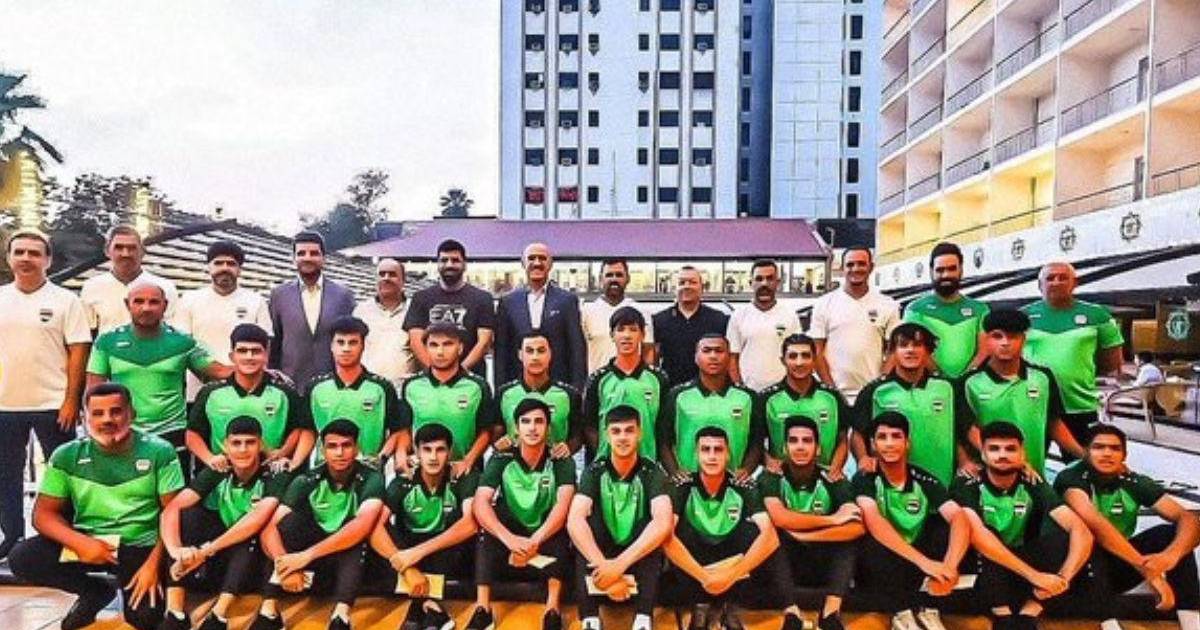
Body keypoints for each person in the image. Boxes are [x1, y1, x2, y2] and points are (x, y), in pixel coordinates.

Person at [8, 383, 184, 630]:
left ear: (132, 414)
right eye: (98, 413)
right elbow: (43, 515)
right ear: (85, 418)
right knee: (23, 557)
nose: (107, 419)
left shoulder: (160, 452)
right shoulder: (66, 455)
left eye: (116, 411)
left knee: (145, 619)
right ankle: (95, 592)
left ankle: (136, 587)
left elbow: (174, 516)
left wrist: (153, 567)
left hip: (140, 547)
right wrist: (81, 543)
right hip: (88, 544)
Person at [0, 229, 91, 560]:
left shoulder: (66, 301)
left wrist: (71, 400)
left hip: (54, 404)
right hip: (5, 404)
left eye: (34, 253)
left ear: (48, 260)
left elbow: (78, 351)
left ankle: (63, 538)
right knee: (6, 474)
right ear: (9, 258)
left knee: (64, 474)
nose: (26, 258)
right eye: (20, 252)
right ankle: (12, 535)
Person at [1054, 425, 1200, 630]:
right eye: (1099, 447)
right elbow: (1095, 524)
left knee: (1172, 534)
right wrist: (1147, 569)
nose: (1107, 453)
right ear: (1086, 452)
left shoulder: (1133, 481)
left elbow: (1188, 518)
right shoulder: (1071, 478)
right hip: (1075, 571)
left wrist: (1170, 557)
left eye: (1114, 448)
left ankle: (1191, 622)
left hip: (1118, 565)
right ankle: (1108, 623)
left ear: (1124, 455)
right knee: (1089, 541)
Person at [952, 422, 1095, 630]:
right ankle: (1003, 616)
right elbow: (979, 537)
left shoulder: (1032, 482)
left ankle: (1030, 612)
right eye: (994, 449)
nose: (1002, 455)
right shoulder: (966, 484)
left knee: (1063, 540)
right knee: (987, 536)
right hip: (985, 570)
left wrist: (1061, 579)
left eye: (1010, 449)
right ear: (983, 454)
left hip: (1021, 565)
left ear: (1022, 454)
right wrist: (1035, 576)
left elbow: (1080, 531)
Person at [662, 427, 806, 630]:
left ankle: (788, 609)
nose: (712, 456)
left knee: (762, 535)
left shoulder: (743, 485)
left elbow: (770, 538)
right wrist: (706, 578)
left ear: (728, 454)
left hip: (732, 568)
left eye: (718, 450)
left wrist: (728, 577)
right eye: (706, 449)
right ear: (696, 454)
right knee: (670, 532)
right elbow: (666, 538)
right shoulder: (681, 485)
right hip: (696, 569)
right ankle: (700, 606)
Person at [249, 420, 385, 630]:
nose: (339, 453)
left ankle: (340, 617)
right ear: (323, 450)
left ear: (356, 448)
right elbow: (269, 527)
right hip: (312, 560)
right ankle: (269, 613)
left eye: (346, 445)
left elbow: (363, 524)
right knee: (288, 525)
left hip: (350, 560)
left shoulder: (372, 478)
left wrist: (305, 556)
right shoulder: (307, 479)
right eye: (332, 446)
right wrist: (285, 565)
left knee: (355, 533)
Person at [159, 417, 290, 630]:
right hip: (221, 554)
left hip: (256, 559)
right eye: (236, 443)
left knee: (253, 533)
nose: (243, 449)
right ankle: (175, 612)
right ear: (225, 446)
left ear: (260, 445)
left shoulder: (276, 473)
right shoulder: (218, 470)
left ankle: (219, 615)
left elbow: (256, 520)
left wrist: (204, 551)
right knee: (188, 516)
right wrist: (177, 552)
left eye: (250, 442)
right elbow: (172, 509)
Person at [86, 281, 230, 464]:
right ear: (127, 304)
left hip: (172, 433)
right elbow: (93, 391)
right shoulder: (106, 342)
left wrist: (254, 367)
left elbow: (218, 371)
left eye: (153, 302)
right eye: (139, 301)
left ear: (165, 305)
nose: (146, 308)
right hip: (124, 431)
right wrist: (97, 431)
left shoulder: (183, 342)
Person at [852, 412, 970, 630]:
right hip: (885, 563)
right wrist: (924, 563)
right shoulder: (865, 478)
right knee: (867, 539)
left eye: (896, 436)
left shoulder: (922, 477)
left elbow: (958, 517)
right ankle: (902, 614)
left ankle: (929, 609)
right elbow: (874, 521)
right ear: (873, 445)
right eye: (882, 437)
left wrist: (949, 566)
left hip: (916, 561)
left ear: (907, 443)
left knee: (944, 529)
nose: (889, 444)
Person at [467, 399, 576, 630]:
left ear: (548, 428)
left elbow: (563, 504)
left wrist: (534, 541)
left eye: (539, 422)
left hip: (544, 532)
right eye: (525, 422)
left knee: (563, 530)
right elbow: (481, 502)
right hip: (512, 531)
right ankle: (483, 609)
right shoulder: (502, 457)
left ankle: (552, 609)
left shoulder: (560, 459)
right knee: (486, 531)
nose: (532, 428)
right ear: (516, 428)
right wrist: (509, 539)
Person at [568, 405, 673, 630]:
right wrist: (605, 567)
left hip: (634, 555)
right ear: (607, 435)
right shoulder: (594, 471)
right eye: (616, 431)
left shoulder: (653, 472)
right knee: (585, 529)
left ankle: (643, 618)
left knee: (653, 533)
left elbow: (663, 522)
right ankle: (590, 619)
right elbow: (574, 520)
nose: (623, 437)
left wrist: (619, 566)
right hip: (603, 557)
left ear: (640, 433)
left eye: (629, 430)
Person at [367, 424, 479, 630]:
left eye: (440, 450)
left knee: (469, 529)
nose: (433, 457)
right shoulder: (403, 483)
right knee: (377, 528)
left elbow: (471, 524)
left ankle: (418, 607)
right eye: (427, 450)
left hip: (445, 551)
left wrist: (417, 553)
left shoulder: (462, 477)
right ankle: (430, 605)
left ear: (449, 453)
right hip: (410, 553)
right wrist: (408, 568)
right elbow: (374, 529)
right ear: (417, 453)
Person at [759, 416, 864, 630]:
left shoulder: (833, 478)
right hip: (785, 563)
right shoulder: (771, 478)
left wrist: (807, 535)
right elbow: (779, 517)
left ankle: (830, 613)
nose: (800, 447)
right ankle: (792, 614)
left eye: (807, 441)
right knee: (769, 534)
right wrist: (832, 519)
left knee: (848, 542)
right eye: (793, 441)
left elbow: (857, 527)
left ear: (817, 449)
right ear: (785, 448)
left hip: (821, 562)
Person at [959, 309, 1084, 477]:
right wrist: (1007, 459)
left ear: (1023, 340)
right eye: (997, 336)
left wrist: (1084, 455)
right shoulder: (968, 382)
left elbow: (1053, 422)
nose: (1005, 343)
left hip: (1035, 474)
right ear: (987, 340)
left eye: (1012, 337)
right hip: (989, 477)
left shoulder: (1043, 377)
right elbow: (968, 428)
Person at [851, 323, 972, 486]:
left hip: (943, 480)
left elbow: (960, 430)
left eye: (917, 345)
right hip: (890, 484)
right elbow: (858, 433)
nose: (910, 350)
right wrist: (863, 458)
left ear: (928, 351)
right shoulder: (874, 391)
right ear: (892, 352)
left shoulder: (948, 388)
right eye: (903, 345)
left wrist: (965, 462)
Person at [1021, 261, 1124, 448]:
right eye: (1050, 278)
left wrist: (1079, 373)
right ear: (1040, 285)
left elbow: (1112, 362)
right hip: (1034, 404)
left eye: (1063, 278)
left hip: (1080, 406)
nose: (1056, 282)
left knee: (1082, 461)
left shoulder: (1099, 316)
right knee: (1029, 463)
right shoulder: (1023, 317)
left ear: (1075, 283)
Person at [188, 323, 312, 474]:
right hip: (222, 473)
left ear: (266, 355)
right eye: (242, 351)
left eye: (256, 351)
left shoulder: (285, 392)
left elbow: (298, 428)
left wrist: (283, 452)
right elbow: (192, 434)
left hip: (270, 473)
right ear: (232, 356)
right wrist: (210, 459)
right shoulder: (210, 393)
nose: (249, 357)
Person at [174, 239, 273, 402]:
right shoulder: (189, 299)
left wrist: (243, 374)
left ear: (239, 270)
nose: (225, 268)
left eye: (231, 264)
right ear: (209, 267)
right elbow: (183, 345)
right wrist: (216, 371)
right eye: (218, 263)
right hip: (200, 390)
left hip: (246, 389)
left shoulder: (256, 301)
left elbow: (265, 346)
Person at [302, 316, 405, 468]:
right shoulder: (315, 387)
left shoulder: (382, 388)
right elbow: (307, 431)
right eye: (340, 342)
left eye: (353, 343)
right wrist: (294, 464)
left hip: (368, 470)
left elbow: (398, 431)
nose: (346, 348)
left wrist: (381, 458)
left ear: (363, 346)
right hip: (325, 469)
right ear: (331, 346)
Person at [660, 334, 763, 482]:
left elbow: (756, 442)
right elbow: (664, 441)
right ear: (696, 357)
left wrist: (747, 469)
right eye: (706, 351)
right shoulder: (677, 396)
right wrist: (674, 471)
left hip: (732, 483)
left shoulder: (748, 397)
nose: (713, 356)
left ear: (729, 357)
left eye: (719, 351)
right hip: (688, 482)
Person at [398, 321, 497, 475]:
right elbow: (405, 429)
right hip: (421, 470)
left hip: (464, 472)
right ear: (426, 348)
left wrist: (468, 461)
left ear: (460, 348)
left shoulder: (478, 386)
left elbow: (486, 432)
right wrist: (401, 453)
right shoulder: (411, 385)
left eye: (448, 344)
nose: (440, 351)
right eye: (434, 345)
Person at [809, 247, 901, 403]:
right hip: (834, 394)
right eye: (850, 264)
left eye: (861, 264)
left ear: (871, 267)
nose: (856, 269)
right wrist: (832, 390)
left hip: (873, 395)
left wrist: (878, 386)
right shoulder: (823, 304)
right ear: (842, 268)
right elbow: (817, 351)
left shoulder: (888, 305)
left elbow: (893, 351)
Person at [268, 231, 357, 388]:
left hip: (333, 386)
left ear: (324, 258)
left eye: (314, 253)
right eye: (301, 253)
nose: (307, 258)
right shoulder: (279, 295)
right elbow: (275, 341)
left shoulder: (343, 295)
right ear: (293, 258)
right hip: (290, 384)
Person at [494, 242, 587, 389]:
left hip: (559, 385)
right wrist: (501, 390)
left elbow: (576, 348)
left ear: (550, 264)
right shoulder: (508, 302)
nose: (537, 263)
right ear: (523, 263)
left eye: (542, 258)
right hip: (518, 387)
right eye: (531, 258)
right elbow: (501, 351)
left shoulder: (567, 300)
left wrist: (577, 388)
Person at [583, 307, 669, 461]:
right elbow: (590, 426)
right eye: (621, 329)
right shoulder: (598, 379)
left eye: (633, 330)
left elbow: (663, 428)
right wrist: (602, 458)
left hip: (647, 464)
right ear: (612, 335)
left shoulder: (658, 379)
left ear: (642, 335)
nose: (627, 335)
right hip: (609, 465)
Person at [760, 333, 852, 478]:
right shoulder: (767, 399)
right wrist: (769, 462)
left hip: (826, 478)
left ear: (814, 359)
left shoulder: (833, 398)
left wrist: (835, 469)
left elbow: (842, 440)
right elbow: (756, 443)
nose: (799, 362)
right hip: (780, 479)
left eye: (805, 356)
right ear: (783, 360)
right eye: (792, 356)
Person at [404, 239, 496, 378]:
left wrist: (459, 372)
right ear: (437, 264)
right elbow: (415, 341)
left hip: (469, 379)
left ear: (464, 265)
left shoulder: (483, 299)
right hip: (431, 381)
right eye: (444, 260)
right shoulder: (420, 298)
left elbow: (484, 342)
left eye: (455, 260)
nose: (449, 264)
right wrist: (436, 372)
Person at [902, 242, 990, 378]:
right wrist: (941, 378)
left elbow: (984, 351)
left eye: (951, 269)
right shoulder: (915, 310)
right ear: (931, 271)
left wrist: (964, 380)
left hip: (969, 385)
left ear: (961, 269)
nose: (945, 275)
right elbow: (914, 350)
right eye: (940, 270)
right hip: (928, 386)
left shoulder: (980, 310)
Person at [495, 330, 583, 457]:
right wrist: (499, 444)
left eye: (541, 351)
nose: (535, 357)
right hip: (514, 465)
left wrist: (569, 447)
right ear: (520, 355)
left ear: (550, 354)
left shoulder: (569, 395)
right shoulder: (504, 394)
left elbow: (578, 436)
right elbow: (494, 435)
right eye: (529, 351)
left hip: (556, 464)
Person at [80, 224, 178, 335]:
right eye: (119, 247)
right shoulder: (92, 287)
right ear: (107, 251)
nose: (125, 254)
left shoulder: (165, 287)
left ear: (142, 252)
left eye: (132, 248)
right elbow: (88, 333)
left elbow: (174, 332)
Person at [726, 259, 802, 392]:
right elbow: (732, 358)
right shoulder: (738, 315)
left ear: (778, 283)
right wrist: (740, 389)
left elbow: (798, 355)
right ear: (751, 283)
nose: (764, 283)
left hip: (783, 393)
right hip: (749, 392)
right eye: (759, 279)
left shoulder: (790, 315)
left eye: (770, 278)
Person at [653, 266, 730, 389]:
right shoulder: (659, 320)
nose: (687, 286)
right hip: (669, 390)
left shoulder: (719, 319)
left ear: (702, 288)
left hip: (708, 391)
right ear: (674, 288)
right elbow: (654, 358)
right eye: (682, 283)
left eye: (692, 282)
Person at [582, 258, 655, 372]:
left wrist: (646, 378)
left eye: (619, 275)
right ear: (600, 279)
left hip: (633, 380)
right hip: (597, 380)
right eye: (609, 275)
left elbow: (648, 350)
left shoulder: (641, 311)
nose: (614, 279)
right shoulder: (586, 312)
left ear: (628, 279)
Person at [352, 258, 417, 385]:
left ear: (403, 280)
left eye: (392, 274)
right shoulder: (361, 311)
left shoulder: (415, 309)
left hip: (403, 387)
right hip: (368, 387)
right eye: (382, 274)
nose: (386, 278)